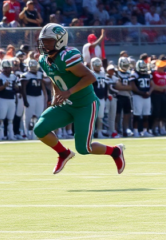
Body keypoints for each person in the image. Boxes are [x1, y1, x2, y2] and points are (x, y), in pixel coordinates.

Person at [33, 23, 126, 174]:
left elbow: (90, 77)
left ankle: (115, 151)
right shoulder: (44, 59)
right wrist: (56, 93)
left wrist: (69, 92)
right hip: (67, 104)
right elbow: (54, 77)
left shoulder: (66, 56)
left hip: (85, 105)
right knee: (40, 129)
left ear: (60, 41)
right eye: (43, 40)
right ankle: (64, 153)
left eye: (49, 40)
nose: (44, 44)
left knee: (84, 148)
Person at [21, 59, 47, 140]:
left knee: (39, 116)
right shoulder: (25, 75)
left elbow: (42, 85)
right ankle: (26, 133)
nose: (33, 68)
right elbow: (23, 89)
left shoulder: (40, 74)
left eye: (34, 66)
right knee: (28, 117)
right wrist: (25, 100)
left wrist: (45, 96)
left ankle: (36, 133)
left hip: (39, 96)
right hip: (30, 96)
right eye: (32, 67)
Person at [130, 59, 152, 137]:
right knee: (137, 114)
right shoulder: (134, 74)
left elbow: (152, 84)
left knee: (146, 114)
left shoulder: (148, 74)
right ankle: (135, 131)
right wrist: (141, 93)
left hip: (146, 96)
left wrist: (149, 92)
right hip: (137, 96)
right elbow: (133, 86)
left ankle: (145, 131)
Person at [151, 58, 166, 136]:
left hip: (164, 95)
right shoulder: (154, 73)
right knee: (156, 113)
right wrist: (161, 88)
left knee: (164, 114)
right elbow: (153, 85)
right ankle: (155, 128)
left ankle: (162, 128)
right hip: (156, 95)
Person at [113, 57, 134, 136]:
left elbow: (132, 86)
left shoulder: (129, 73)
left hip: (127, 96)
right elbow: (117, 86)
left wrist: (122, 87)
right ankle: (117, 130)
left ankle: (125, 129)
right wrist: (126, 87)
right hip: (118, 96)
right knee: (117, 114)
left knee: (127, 114)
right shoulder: (116, 72)